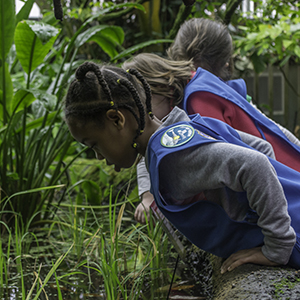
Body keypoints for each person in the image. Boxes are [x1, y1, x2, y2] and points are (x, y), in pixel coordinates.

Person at [64, 62, 300, 273]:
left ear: (117, 119)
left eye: (94, 144)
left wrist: (276, 247)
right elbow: (262, 149)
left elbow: (255, 164)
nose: (97, 156)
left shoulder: (172, 160)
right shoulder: (188, 124)